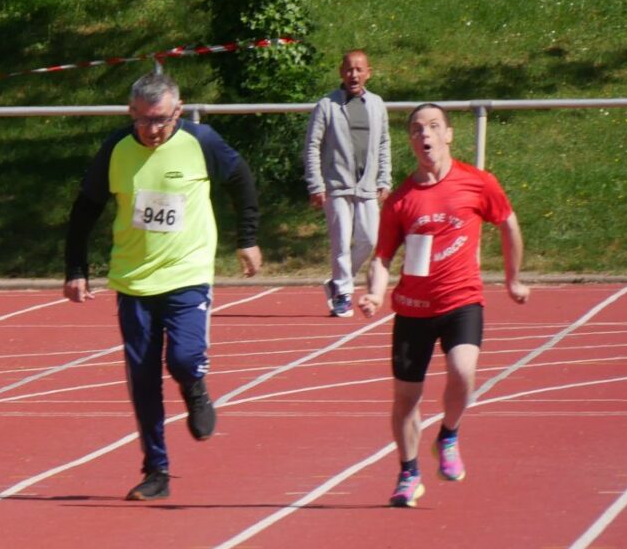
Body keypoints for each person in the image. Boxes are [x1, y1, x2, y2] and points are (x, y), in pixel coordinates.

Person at [62, 73, 261, 502]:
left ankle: (194, 386)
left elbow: (241, 180)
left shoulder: (201, 141)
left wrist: (247, 238)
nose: (153, 130)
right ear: (131, 112)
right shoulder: (116, 149)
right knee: (143, 379)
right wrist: (76, 268)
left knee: (186, 357)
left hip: (187, 274)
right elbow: (85, 209)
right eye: (145, 120)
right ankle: (156, 469)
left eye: (163, 121)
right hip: (134, 281)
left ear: (179, 109)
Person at [358, 103, 527, 508]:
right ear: (411, 141)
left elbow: (507, 223)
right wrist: (376, 294)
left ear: (448, 134)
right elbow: (382, 257)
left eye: (433, 127)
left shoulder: (477, 183)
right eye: (417, 129)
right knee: (406, 399)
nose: (425, 135)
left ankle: (448, 434)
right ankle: (408, 473)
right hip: (413, 311)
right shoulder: (400, 201)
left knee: (463, 372)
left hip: (461, 301)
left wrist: (513, 278)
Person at [304, 50, 392, 318]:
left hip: (367, 186)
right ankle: (343, 293)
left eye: (359, 69)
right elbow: (312, 146)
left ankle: (338, 281)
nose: (354, 75)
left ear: (368, 72)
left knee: (368, 238)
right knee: (341, 241)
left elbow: (384, 143)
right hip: (336, 186)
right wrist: (315, 184)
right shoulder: (327, 105)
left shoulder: (376, 104)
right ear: (341, 72)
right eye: (349, 69)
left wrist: (384, 178)